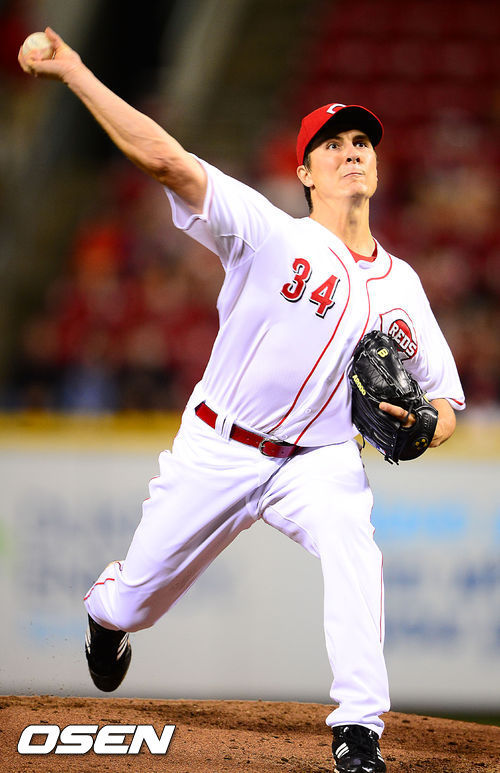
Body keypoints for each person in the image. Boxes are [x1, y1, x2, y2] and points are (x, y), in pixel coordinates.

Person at [19, 28, 464, 773]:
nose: (351, 152)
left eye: (362, 142)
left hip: (319, 461)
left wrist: (426, 424)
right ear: (305, 172)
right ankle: (105, 614)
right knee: (133, 604)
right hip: (220, 446)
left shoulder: (405, 287)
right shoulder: (270, 234)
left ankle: (358, 730)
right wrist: (75, 71)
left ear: (378, 165)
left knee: (354, 542)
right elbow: (166, 160)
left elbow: (447, 402)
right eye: (332, 144)